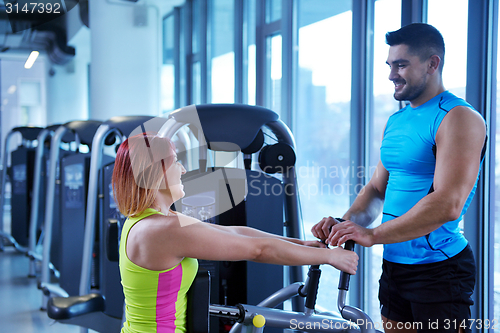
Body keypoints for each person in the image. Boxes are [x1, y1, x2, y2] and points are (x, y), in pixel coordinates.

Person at [312, 23, 486, 333]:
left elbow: (449, 203)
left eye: (402, 64)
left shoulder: (459, 117)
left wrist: (374, 235)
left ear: (433, 64)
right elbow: (377, 190)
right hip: (394, 264)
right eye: (390, 65)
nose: (392, 74)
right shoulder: (396, 120)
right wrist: (346, 224)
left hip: (439, 269)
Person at [112, 133, 359, 333]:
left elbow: (235, 232)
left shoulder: (151, 220)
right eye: (176, 162)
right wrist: (330, 257)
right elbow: (257, 250)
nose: (183, 170)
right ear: (157, 173)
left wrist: (302, 244)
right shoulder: (162, 230)